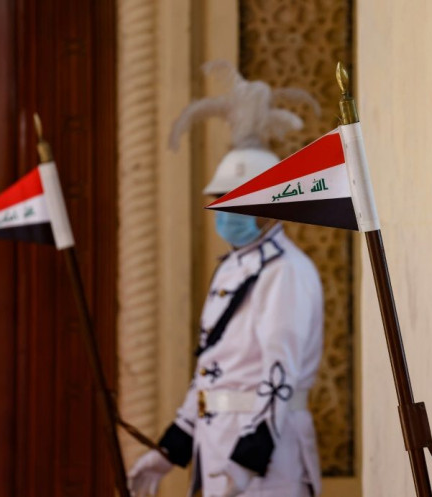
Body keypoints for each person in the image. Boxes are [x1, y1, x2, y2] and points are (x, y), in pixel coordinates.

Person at [127, 61, 324, 497]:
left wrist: (249, 461)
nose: (224, 208)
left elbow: (280, 371)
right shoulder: (234, 266)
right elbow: (213, 370)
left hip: (263, 460)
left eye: (236, 199)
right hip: (218, 449)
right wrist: (170, 449)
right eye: (220, 198)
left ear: (270, 203)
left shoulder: (285, 272)